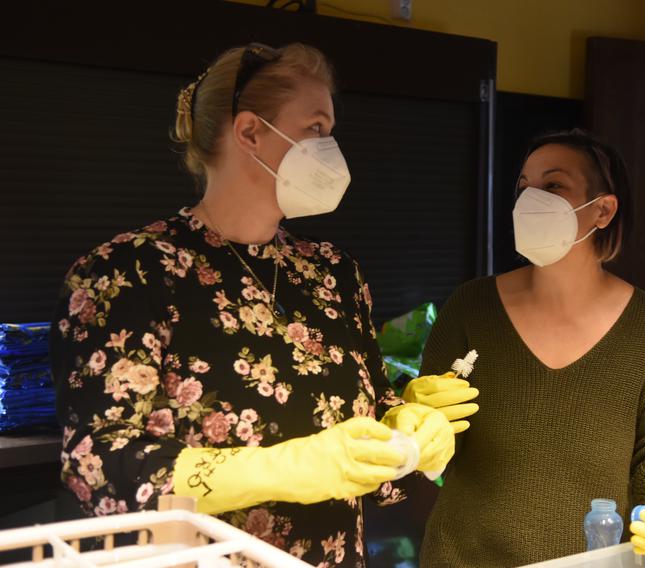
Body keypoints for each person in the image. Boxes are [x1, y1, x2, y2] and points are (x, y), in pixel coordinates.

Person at [50, 42, 466, 567]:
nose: (330, 147)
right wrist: (279, 469)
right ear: (249, 132)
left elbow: (366, 423)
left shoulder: (332, 273)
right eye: (316, 128)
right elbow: (99, 464)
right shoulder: (127, 274)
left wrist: (407, 432)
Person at [412, 129, 645, 566]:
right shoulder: (471, 307)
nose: (531, 199)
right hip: (463, 556)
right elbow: (431, 446)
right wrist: (418, 423)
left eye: (553, 185)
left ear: (603, 210)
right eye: (524, 187)